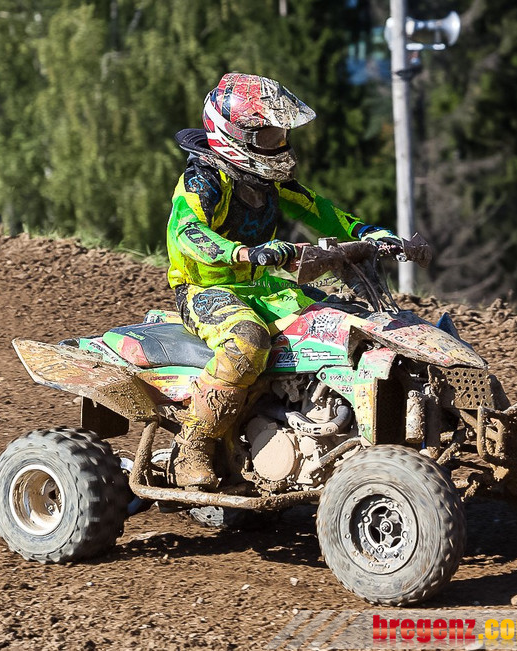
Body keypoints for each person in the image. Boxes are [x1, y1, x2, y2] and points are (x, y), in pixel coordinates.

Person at [166, 72, 403, 490]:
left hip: (264, 288)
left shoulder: (270, 182)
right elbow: (187, 232)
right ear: (235, 135)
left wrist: (370, 233)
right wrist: (242, 252)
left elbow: (321, 211)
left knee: (342, 321)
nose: (279, 143)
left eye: (282, 134)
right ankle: (193, 446)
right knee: (247, 342)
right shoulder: (204, 181)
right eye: (269, 135)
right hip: (206, 289)